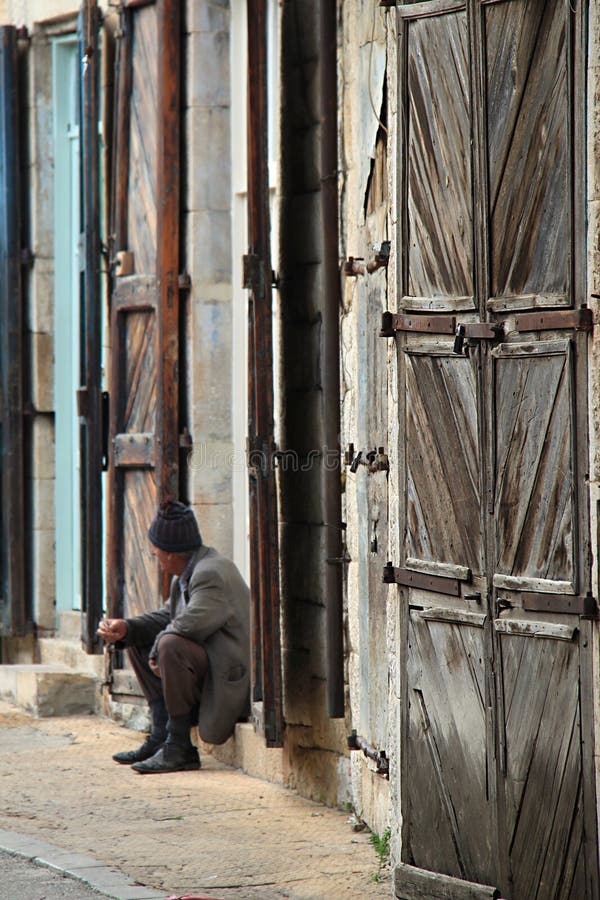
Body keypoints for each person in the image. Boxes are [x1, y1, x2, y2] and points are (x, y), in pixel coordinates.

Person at [98, 500, 250, 774]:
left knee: (169, 644)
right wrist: (127, 628)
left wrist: (157, 646)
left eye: (156, 550)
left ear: (170, 554)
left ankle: (179, 747)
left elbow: (189, 625)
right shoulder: (188, 573)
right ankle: (161, 736)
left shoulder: (210, 573)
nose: (154, 554)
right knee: (139, 637)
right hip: (206, 667)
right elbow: (169, 616)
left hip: (225, 676)